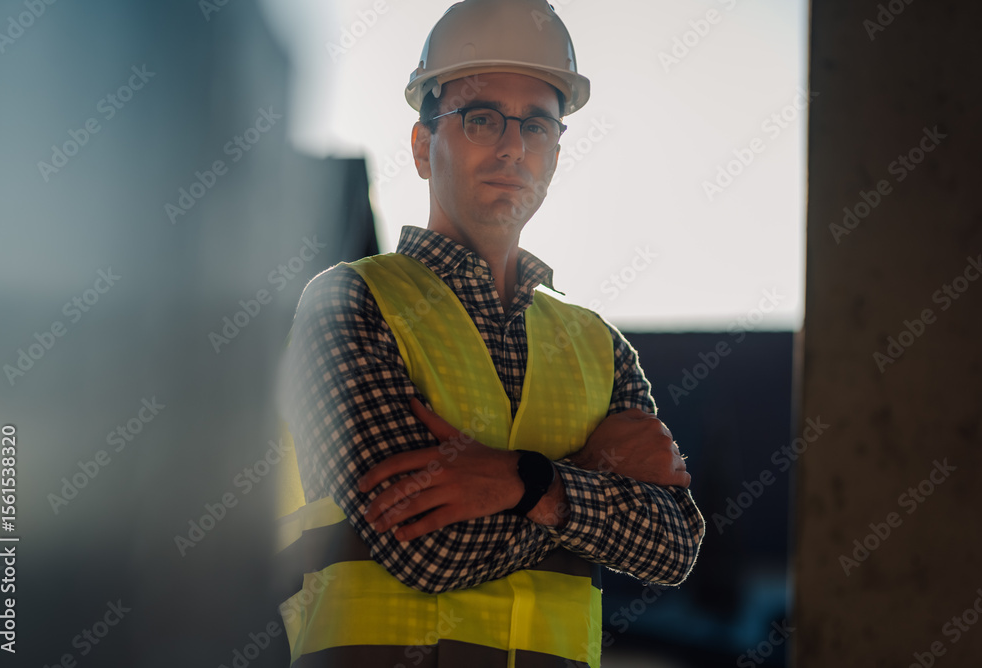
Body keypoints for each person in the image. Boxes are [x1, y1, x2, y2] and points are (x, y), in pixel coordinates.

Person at [274, 1, 705, 666]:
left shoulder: (596, 344)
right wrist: (564, 482)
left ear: (557, 152)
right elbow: (424, 548)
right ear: (423, 147)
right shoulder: (351, 303)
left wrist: (519, 484)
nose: (512, 146)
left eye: (536, 125)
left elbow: (673, 544)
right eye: (481, 118)